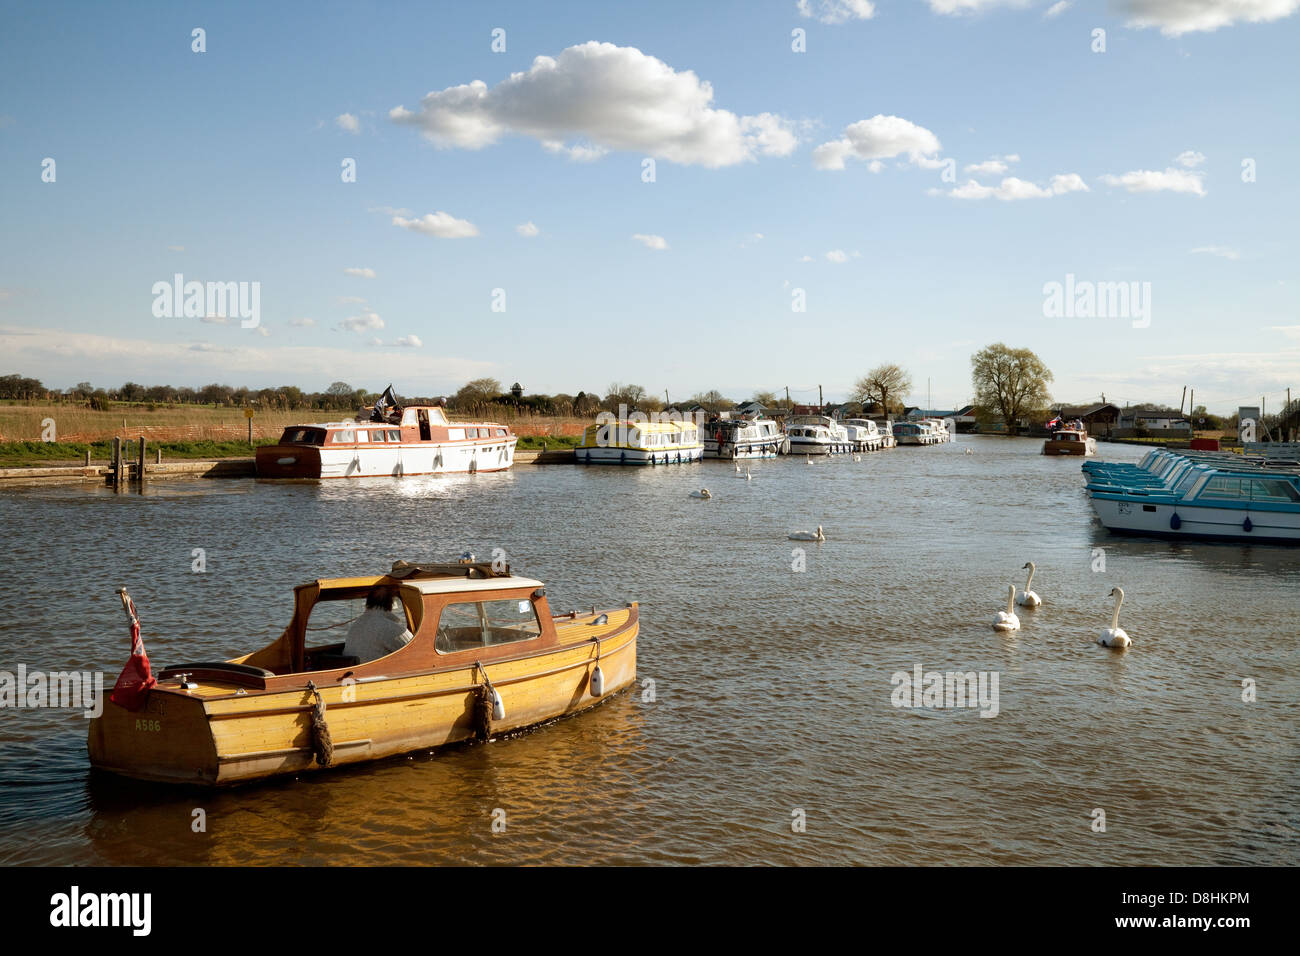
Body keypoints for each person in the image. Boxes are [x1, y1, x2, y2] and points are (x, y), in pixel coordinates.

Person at [342, 587, 413, 663]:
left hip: (354, 672)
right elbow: (416, 650)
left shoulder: (355, 625)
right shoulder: (392, 628)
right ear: (391, 605)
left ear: (367, 603)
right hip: (378, 672)